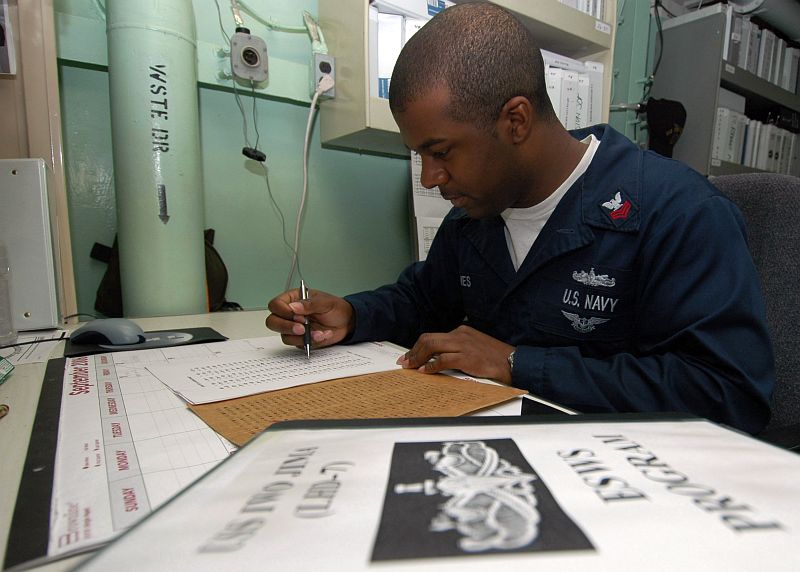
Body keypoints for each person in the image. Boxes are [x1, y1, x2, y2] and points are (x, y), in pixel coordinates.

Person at [267, 1, 775, 434]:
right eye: (419, 155)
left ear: (516, 120)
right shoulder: (475, 213)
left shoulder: (679, 212)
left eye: (440, 151)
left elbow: (730, 395)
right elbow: (423, 300)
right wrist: (352, 315)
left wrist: (518, 363)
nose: (430, 177)